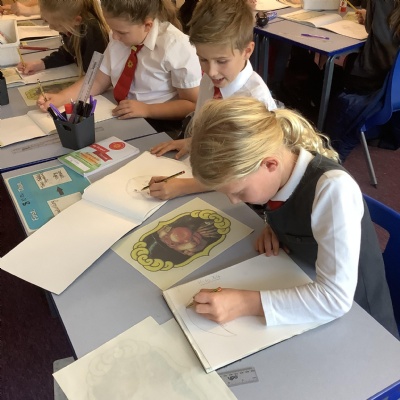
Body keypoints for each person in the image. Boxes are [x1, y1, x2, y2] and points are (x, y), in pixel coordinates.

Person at [187, 96, 398, 338]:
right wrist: (273, 225)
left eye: (240, 192)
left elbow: (336, 300)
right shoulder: (279, 173)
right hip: (304, 282)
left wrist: (244, 303)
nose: (234, 201)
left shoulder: (333, 190)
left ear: (270, 165)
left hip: (364, 322)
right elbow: (288, 203)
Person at [148, 0, 276, 200]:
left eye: (221, 61)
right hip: (203, 171)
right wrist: (192, 142)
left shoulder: (255, 103)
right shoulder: (211, 80)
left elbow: (244, 173)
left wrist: (184, 187)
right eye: (203, 60)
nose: (211, 71)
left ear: (247, 51)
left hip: (235, 194)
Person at [37, 0, 201, 125]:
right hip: (122, 115)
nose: (114, 37)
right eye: (112, 29)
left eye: (121, 32)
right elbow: (98, 80)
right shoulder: (120, 37)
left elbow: (192, 104)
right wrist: (62, 97)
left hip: (158, 123)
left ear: (147, 25)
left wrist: (148, 109)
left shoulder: (175, 47)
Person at [326, 0, 400, 160]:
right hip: (396, 88)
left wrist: (371, 18)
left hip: (377, 83)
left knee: (332, 75)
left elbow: (373, 32)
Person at [16, 0, 108, 76]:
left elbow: (94, 75)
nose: (51, 27)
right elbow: (68, 53)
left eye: (58, 25)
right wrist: (41, 64)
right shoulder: (72, 25)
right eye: (47, 21)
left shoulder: (92, 32)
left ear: (77, 20)